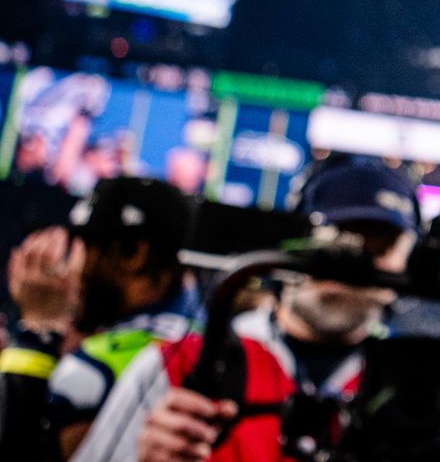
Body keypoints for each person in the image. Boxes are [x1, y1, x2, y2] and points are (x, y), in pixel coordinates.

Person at [70, 158, 420, 462]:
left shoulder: (422, 390)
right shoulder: (181, 365)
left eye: (380, 247)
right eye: (340, 240)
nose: (354, 266)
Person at [2, 177, 196, 460]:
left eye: (85, 244)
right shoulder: (203, 340)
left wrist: (37, 332)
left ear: (134, 254)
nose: (72, 265)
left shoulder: (93, 371)